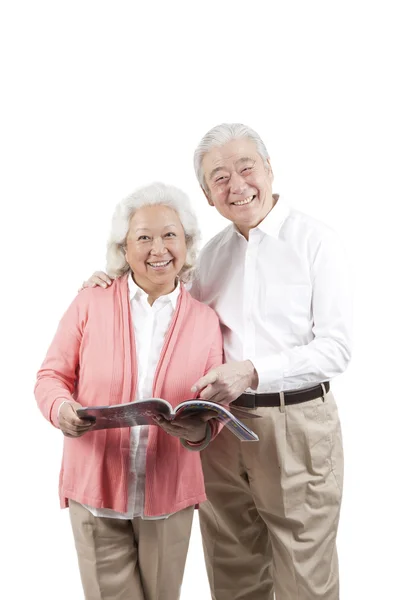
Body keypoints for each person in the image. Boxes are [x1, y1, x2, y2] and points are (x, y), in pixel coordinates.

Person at [83, 123, 352, 600]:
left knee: (305, 576)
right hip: (221, 430)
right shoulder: (211, 257)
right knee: (232, 568)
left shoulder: (316, 241)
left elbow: (336, 348)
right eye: (219, 178)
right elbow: (174, 310)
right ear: (208, 196)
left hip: (297, 426)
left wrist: (252, 371)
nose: (236, 184)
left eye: (245, 168)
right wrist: (114, 279)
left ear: (269, 170)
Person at [34, 182, 224, 600]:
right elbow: (50, 376)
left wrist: (197, 430)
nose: (159, 248)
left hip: (169, 490)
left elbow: (214, 409)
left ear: (187, 243)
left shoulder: (206, 320)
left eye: (170, 235)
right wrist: (61, 409)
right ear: (124, 249)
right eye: (144, 237)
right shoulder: (91, 302)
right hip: (94, 486)